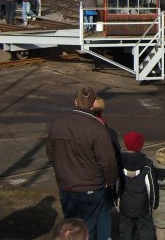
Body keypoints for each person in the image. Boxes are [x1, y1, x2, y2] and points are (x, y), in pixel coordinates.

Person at [47, 87, 118, 240]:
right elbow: (108, 161)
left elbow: (51, 154)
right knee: (87, 229)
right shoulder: (98, 129)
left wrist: (61, 172)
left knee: (70, 228)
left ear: (75, 102)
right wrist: (110, 180)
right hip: (90, 187)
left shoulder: (58, 124)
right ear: (93, 105)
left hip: (66, 186)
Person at [119, 132, 157, 240]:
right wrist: (154, 204)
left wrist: (116, 200)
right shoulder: (146, 164)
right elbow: (151, 186)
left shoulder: (120, 162)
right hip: (142, 205)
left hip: (125, 203)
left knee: (126, 232)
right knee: (145, 231)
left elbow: (117, 184)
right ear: (140, 144)